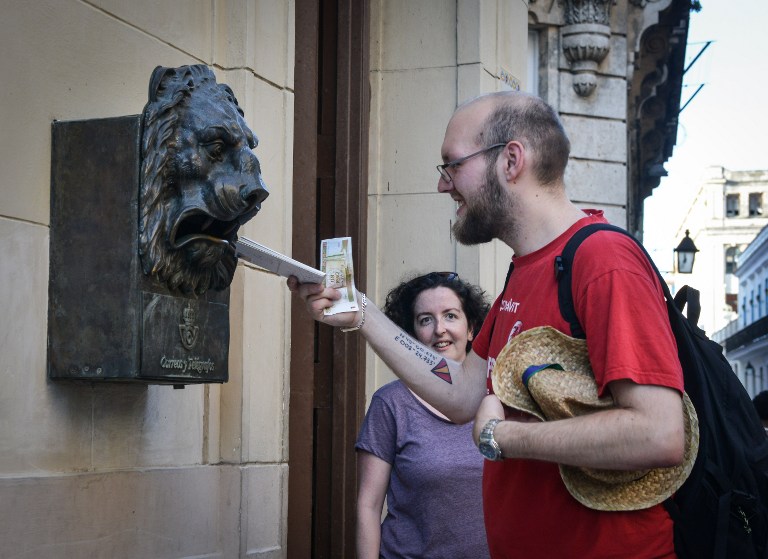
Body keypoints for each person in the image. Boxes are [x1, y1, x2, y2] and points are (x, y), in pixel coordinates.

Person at [288, 91, 687, 558]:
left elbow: (658, 433)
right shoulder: (525, 270)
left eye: (452, 165)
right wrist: (363, 314)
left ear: (511, 160)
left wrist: (502, 436)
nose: (443, 184)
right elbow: (462, 394)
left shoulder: (604, 260)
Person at [355, 271, 491, 559]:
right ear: (412, 334)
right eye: (425, 320)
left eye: (451, 316)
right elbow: (369, 506)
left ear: (471, 329)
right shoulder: (391, 403)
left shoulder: (497, 397)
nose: (439, 329)